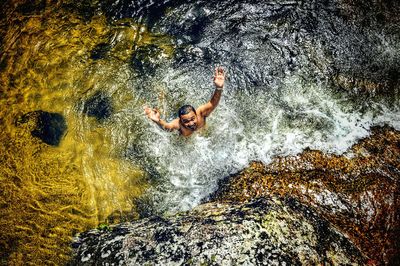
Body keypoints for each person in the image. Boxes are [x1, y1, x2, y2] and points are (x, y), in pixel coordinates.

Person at [144, 67, 225, 137]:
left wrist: (219, 88)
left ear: (196, 115)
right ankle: (160, 91)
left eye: (192, 119)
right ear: (181, 121)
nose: (191, 123)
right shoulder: (178, 124)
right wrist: (158, 121)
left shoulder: (201, 113)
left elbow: (213, 103)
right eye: (185, 121)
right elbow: (167, 127)